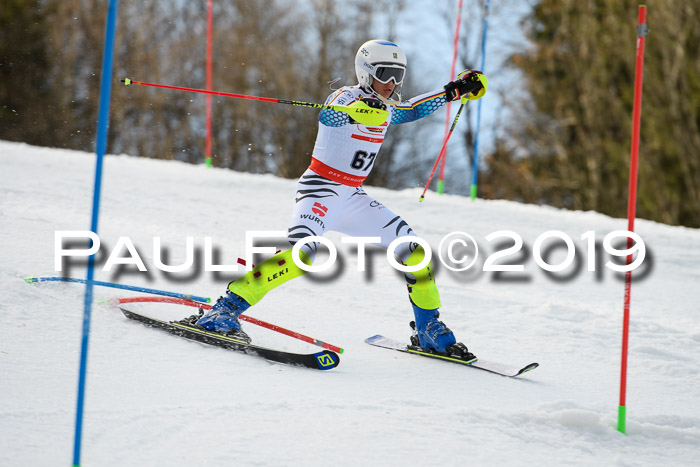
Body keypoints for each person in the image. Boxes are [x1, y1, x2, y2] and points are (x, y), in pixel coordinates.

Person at [195, 39, 488, 360]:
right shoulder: (347, 96)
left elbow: (413, 109)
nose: (391, 83)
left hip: (353, 197)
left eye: (398, 76)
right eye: (385, 74)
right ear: (365, 72)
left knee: (414, 252)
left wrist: (456, 90)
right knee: (303, 254)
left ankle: (428, 328)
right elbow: (329, 117)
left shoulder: (388, 106)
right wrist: (354, 114)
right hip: (320, 189)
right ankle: (225, 309)